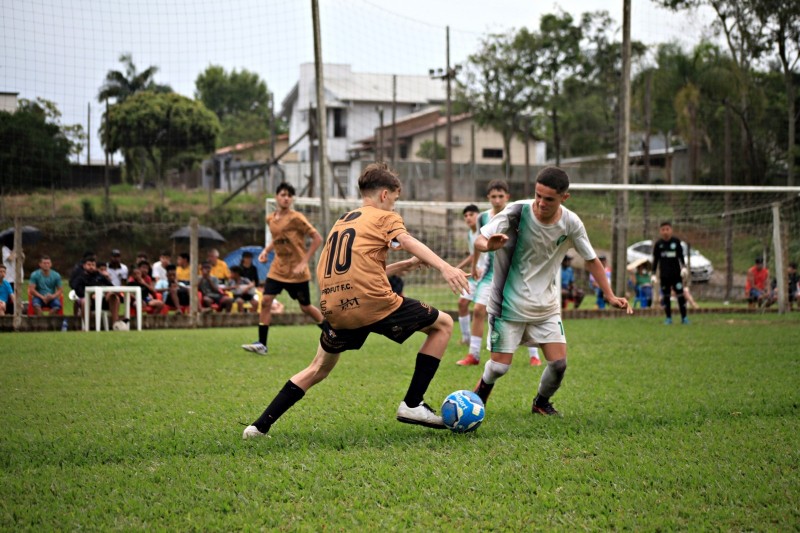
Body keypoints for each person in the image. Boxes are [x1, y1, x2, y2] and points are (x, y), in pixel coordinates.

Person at [242, 162, 470, 438]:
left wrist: (403, 266)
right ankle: (412, 404)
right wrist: (446, 267)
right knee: (443, 324)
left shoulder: (344, 221)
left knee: (318, 368)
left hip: (335, 307)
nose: (394, 207)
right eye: (395, 200)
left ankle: (258, 426)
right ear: (385, 195)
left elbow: (355, 271)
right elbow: (408, 240)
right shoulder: (385, 217)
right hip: (373, 304)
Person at [472, 166, 632, 416]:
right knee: (499, 368)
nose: (541, 203)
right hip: (507, 304)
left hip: (545, 306)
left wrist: (610, 295)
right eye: (538, 195)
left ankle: (541, 403)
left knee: (559, 364)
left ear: (563, 198)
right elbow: (480, 239)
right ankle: (479, 394)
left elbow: (591, 260)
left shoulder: (571, 223)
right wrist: (487, 245)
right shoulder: (516, 211)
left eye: (549, 199)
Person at [241, 182, 325, 355]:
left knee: (306, 307)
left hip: (297, 272)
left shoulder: (297, 218)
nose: (286, 198)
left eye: (289, 195)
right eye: (283, 194)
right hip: (278, 269)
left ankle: (331, 332)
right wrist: (265, 251)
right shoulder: (270, 218)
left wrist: (304, 262)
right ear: (277, 197)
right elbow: (278, 238)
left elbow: (317, 238)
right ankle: (262, 344)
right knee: (265, 301)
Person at [456, 180, 509, 366]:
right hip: (489, 273)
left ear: (507, 197)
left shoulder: (515, 215)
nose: (497, 200)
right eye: (493, 196)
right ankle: (474, 355)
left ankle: (534, 355)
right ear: (488, 198)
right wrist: (473, 266)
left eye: (500, 196)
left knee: (520, 314)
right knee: (478, 310)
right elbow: (479, 243)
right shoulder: (483, 218)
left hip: (512, 273)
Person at [454, 204, 483, 345]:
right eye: (465, 216)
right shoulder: (470, 234)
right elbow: (473, 255)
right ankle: (466, 338)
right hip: (475, 274)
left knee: (486, 309)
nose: (468, 218)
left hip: (488, 275)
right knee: (462, 303)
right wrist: (456, 268)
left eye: (471, 214)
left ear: (479, 215)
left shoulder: (485, 231)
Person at [652, 221, 689, 325]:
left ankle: (684, 317)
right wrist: (654, 273)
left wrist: (684, 267)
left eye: (667, 229)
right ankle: (668, 318)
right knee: (666, 296)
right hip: (664, 275)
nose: (665, 232)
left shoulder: (676, 242)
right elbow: (656, 260)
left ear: (671, 230)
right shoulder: (659, 244)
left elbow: (681, 256)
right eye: (663, 230)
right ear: (660, 231)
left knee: (680, 295)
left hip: (676, 274)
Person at [72, 256, 121, 326]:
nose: (91, 267)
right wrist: (91, 295)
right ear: (84, 266)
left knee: (115, 298)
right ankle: (87, 326)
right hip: (89, 301)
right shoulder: (80, 278)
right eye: (89, 265)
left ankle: (115, 325)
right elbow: (78, 292)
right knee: (85, 301)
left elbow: (112, 287)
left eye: (93, 265)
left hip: (102, 300)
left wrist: (109, 292)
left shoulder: (100, 276)